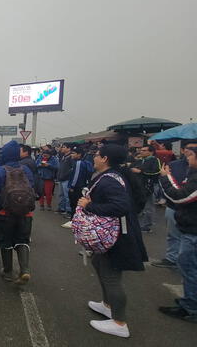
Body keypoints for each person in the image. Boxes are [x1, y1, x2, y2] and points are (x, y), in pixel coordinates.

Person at [79, 144, 148, 338]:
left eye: (97, 155)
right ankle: (107, 305)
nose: (94, 158)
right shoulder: (115, 175)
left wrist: (89, 205)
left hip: (116, 235)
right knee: (99, 263)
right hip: (112, 232)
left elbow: (120, 206)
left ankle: (119, 322)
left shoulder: (110, 180)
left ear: (105, 159)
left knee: (111, 275)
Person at [157, 146, 197, 323]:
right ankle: (189, 301)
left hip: (193, 229)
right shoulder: (192, 173)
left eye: (190, 155)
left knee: (189, 267)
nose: (187, 159)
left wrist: (166, 178)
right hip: (189, 226)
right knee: (188, 266)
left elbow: (180, 196)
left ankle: (191, 307)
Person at [0, 141, 35, 284]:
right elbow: (32, 188)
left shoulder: (0, 170)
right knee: (22, 240)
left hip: (5, 212)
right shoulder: (26, 169)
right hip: (25, 213)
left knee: (5, 241)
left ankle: (8, 271)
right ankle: (25, 270)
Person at [152, 140, 197, 269]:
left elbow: (182, 193)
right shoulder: (175, 164)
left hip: (186, 207)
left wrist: (167, 179)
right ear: (182, 150)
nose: (190, 152)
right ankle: (171, 258)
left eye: (194, 150)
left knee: (189, 261)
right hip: (174, 206)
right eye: (189, 149)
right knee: (173, 235)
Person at [131, 144, 161, 232]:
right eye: (141, 150)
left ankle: (146, 225)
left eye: (144, 150)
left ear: (151, 152)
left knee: (148, 206)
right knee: (138, 206)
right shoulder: (140, 161)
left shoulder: (155, 160)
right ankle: (138, 224)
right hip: (138, 187)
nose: (141, 151)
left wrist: (141, 171)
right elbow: (131, 168)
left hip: (148, 186)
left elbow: (157, 172)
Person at [62, 146, 93, 228]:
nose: (71, 155)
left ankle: (73, 221)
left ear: (79, 155)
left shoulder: (79, 163)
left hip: (76, 187)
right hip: (83, 187)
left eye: (73, 153)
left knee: (74, 204)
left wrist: (72, 186)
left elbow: (76, 176)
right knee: (78, 205)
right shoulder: (86, 162)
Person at [56, 143, 74, 216]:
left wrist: (66, 175)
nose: (62, 148)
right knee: (61, 195)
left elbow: (72, 169)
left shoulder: (71, 157)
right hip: (61, 178)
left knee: (67, 196)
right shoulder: (64, 156)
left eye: (64, 147)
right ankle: (61, 208)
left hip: (66, 179)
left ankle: (68, 210)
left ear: (69, 148)